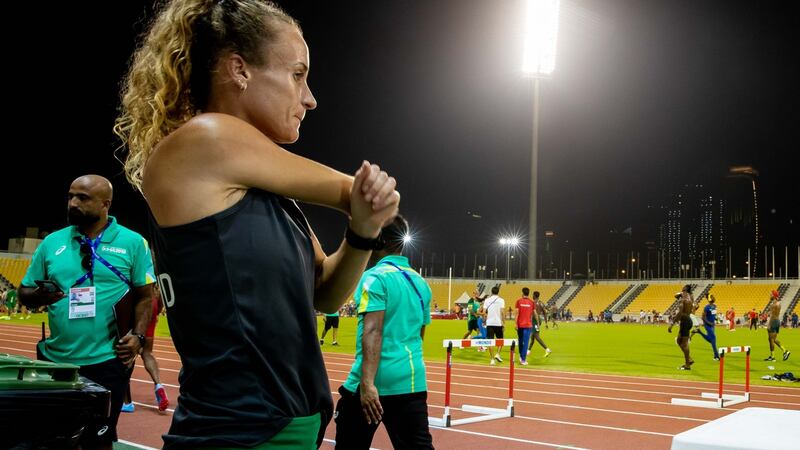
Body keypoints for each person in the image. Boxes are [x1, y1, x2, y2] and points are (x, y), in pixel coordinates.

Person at [113, 1, 401, 448]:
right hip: (237, 431)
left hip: (281, 428)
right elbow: (352, 192)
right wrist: (369, 201)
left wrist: (362, 234)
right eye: (297, 75)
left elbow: (326, 292)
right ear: (240, 70)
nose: (310, 98)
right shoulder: (205, 139)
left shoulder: (266, 190)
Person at [18, 175, 155, 450]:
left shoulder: (133, 242)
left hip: (108, 361)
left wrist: (139, 337)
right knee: (54, 439)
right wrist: (39, 295)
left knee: (98, 441)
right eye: (70, 196)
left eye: (83, 198)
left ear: (105, 204)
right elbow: (24, 292)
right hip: (56, 362)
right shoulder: (51, 243)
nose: (73, 203)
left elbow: (145, 296)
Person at [334, 215, 433, 449]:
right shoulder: (421, 282)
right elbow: (418, 336)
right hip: (411, 382)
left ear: (377, 239)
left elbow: (373, 330)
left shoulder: (374, 277)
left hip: (372, 383)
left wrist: (368, 384)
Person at [122, 283, 170, 413]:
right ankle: (158, 384)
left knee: (126, 356)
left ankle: (126, 402)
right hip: (152, 307)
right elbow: (160, 300)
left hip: (139, 309)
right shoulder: (154, 278)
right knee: (148, 353)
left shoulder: (138, 274)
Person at [668, 285, 695, 370]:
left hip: (685, 322)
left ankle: (687, 365)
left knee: (684, 344)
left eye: (683, 289)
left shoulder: (682, 299)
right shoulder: (691, 297)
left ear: (684, 290)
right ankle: (689, 359)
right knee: (679, 341)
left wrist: (672, 324)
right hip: (687, 320)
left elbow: (679, 313)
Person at [481, 286, 506, 365]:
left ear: (491, 292)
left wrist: (484, 321)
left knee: (490, 341)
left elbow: (484, 312)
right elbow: (502, 312)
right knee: (501, 340)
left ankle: (492, 359)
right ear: (498, 292)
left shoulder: (487, 300)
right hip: (498, 323)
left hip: (489, 323)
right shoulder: (501, 300)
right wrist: (504, 323)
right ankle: (498, 354)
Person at [691, 294, 719, 360]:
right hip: (707, 325)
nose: (714, 298)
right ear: (710, 299)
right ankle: (716, 356)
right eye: (712, 297)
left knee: (711, 340)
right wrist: (708, 323)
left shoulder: (715, 306)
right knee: (713, 339)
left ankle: (699, 332)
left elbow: (713, 315)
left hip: (712, 325)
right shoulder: (706, 307)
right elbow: (703, 317)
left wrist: (715, 320)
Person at [764, 292, 790, 362]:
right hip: (777, 321)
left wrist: (769, 324)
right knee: (773, 339)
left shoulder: (773, 305)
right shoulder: (778, 304)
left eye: (771, 295)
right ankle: (785, 351)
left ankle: (773, 357)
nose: (770, 295)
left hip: (773, 322)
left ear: (774, 296)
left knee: (771, 340)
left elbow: (772, 315)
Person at [514, 287, 535, 365]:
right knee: (526, 342)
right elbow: (534, 313)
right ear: (528, 293)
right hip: (528, 325)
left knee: (520, 340)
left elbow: (516, 313)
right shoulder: (531, 302)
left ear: (522, 293)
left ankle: (521, 356)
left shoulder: (518, 301)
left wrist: (515, 323)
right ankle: (523, 359)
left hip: (520, 325)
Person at [529, 291, 551, 357]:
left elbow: (532, 313)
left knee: (536, 336)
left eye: (533, 295)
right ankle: (528, 350)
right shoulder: (541, 303)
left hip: (535, 320)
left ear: (534, 295)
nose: (532, 296)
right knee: (532, 337)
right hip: (538, 320)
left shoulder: (533, 303)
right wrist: (546, 323)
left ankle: (547, 349)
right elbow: (545, 313)